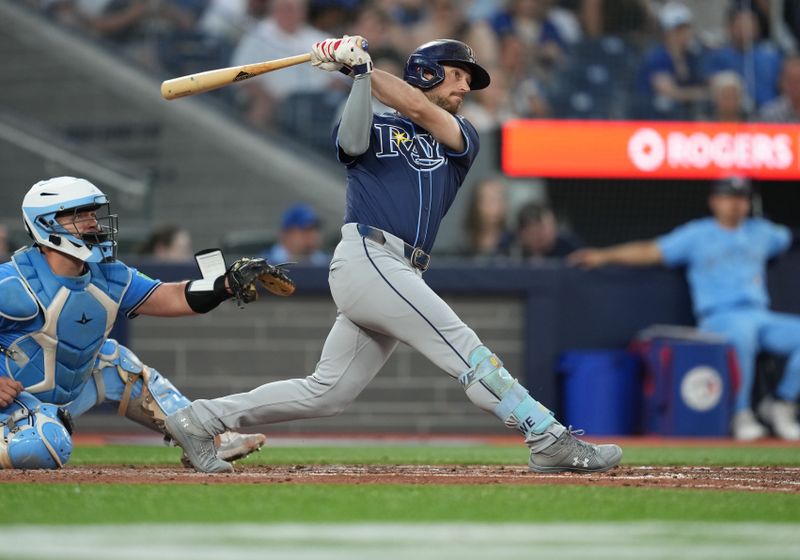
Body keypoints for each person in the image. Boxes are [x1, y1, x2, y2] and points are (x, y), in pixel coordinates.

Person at [165, 37, 623, 474]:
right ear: (425, 71)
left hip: (399, 268)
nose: (466, 86)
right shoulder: (376, 122)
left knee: (327, 393)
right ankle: (546, 436)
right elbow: (350, 143)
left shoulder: (461, 135)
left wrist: (360, 66)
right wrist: (359, 77)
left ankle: (199, 420)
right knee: (464, 349)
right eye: (458, 74)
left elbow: (417, 106)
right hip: (369, 256)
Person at [0, 176, 289, 469]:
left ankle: (205, 438)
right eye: (79, 215)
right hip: (9, 406)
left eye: (92, 214)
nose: (93, 223)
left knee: (117, 362)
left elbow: (172, 297)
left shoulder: (109, 274)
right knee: (45, 446)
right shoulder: (12, 282)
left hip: (65, 396)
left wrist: (226, 284)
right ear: (46, 223)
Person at [568, 177, 800, 441]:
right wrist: (604, 256)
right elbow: (651, 251)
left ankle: (782, 402)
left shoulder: (762, 232)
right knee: (742, 333)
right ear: (714, 201)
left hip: (760, 314)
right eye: (728, 197)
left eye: (741, 198)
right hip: (720, 316)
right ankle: (741, 413)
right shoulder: (697, 234)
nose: (735, 204)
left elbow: (789, 237)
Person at [262, 203, 330, 265]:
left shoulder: (325, 263)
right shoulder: (264, 265)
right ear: (286, 234)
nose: (312, 236)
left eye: (315, 230)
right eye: (305, 231)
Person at [511, 201, 583, 260]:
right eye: (534, 233)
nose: (548, 233)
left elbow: (588, 257)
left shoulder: (568, 244)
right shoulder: (511, 248)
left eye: (551, 226)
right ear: (522, 234)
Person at [461, 177, 513, 258]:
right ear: (476, 204)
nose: (494, 206)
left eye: (499, 199)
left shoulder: (514, 244)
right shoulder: (464, 243)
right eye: (489, 200)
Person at [758, 55, 800, 122]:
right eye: (790, 81)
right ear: (782, 82)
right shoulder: (769, 113)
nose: (794, 86)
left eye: (798, 81)